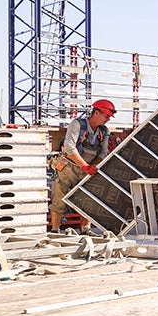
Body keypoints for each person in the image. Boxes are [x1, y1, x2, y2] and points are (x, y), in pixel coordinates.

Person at [49, 99, 115, 231]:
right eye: (106, 116)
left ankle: (86, 229)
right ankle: (55, 230)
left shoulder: (103, 131)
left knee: (89, 198)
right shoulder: (77, 124)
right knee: (59, 198)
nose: (108, 119)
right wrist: (84, 165)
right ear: (96, 113)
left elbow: (103, 152)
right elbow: (69, 147)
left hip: (87, 169)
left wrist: (93, 167)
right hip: (68, 167)